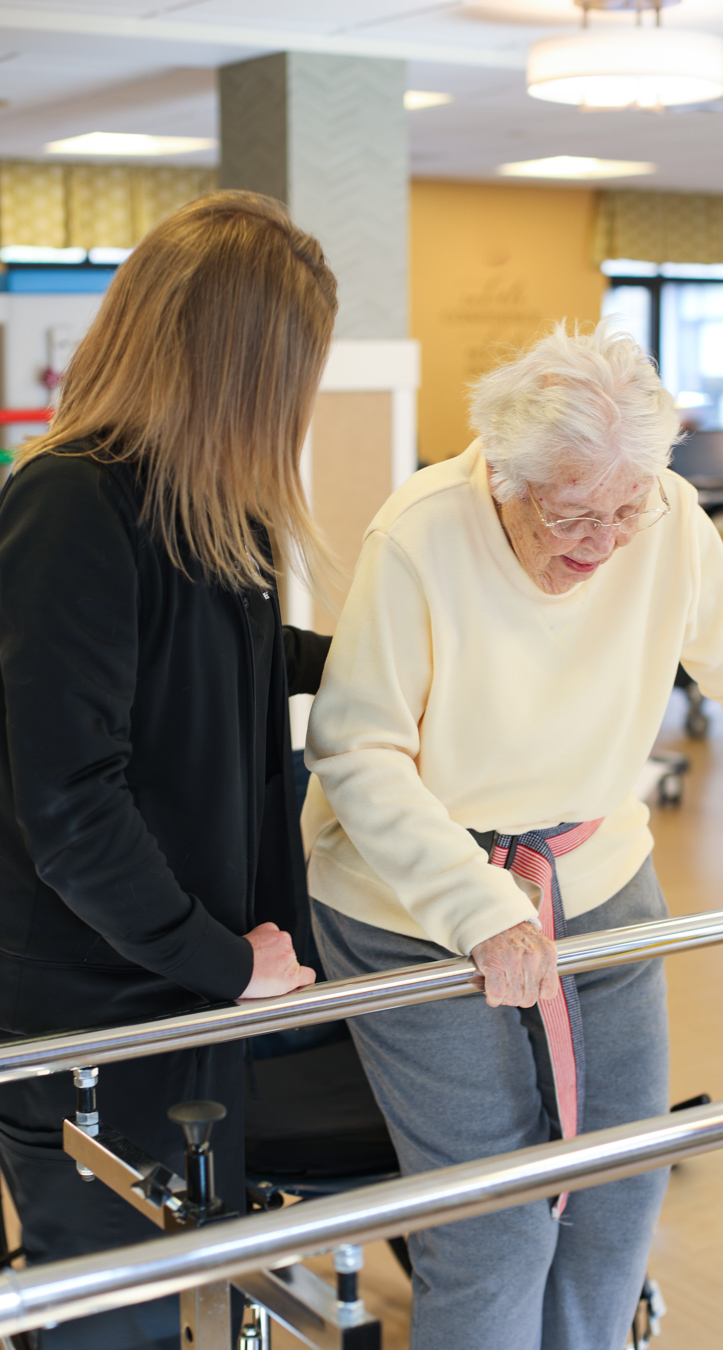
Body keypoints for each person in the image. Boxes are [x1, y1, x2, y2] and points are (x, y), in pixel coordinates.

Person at [302, 323, 723, 1350]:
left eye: (627, 510)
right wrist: (482, 911)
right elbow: (357, 754)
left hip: (597, 869)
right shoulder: (423, 533)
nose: (603, 542)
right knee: (496, 1226)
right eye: (572, 514)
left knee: (622, 1185)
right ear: (503, 478)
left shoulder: (665, 516)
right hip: (415, 899)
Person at [0, 191, 336, 1350]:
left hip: (194, 987)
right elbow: (69, 802)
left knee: (180, 1279)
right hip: (96, 1003)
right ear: (237, 370)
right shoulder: (70, 503)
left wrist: (394, 676)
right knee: (110, 1315)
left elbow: (230, 672)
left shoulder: (210, 512)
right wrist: (220, 961)